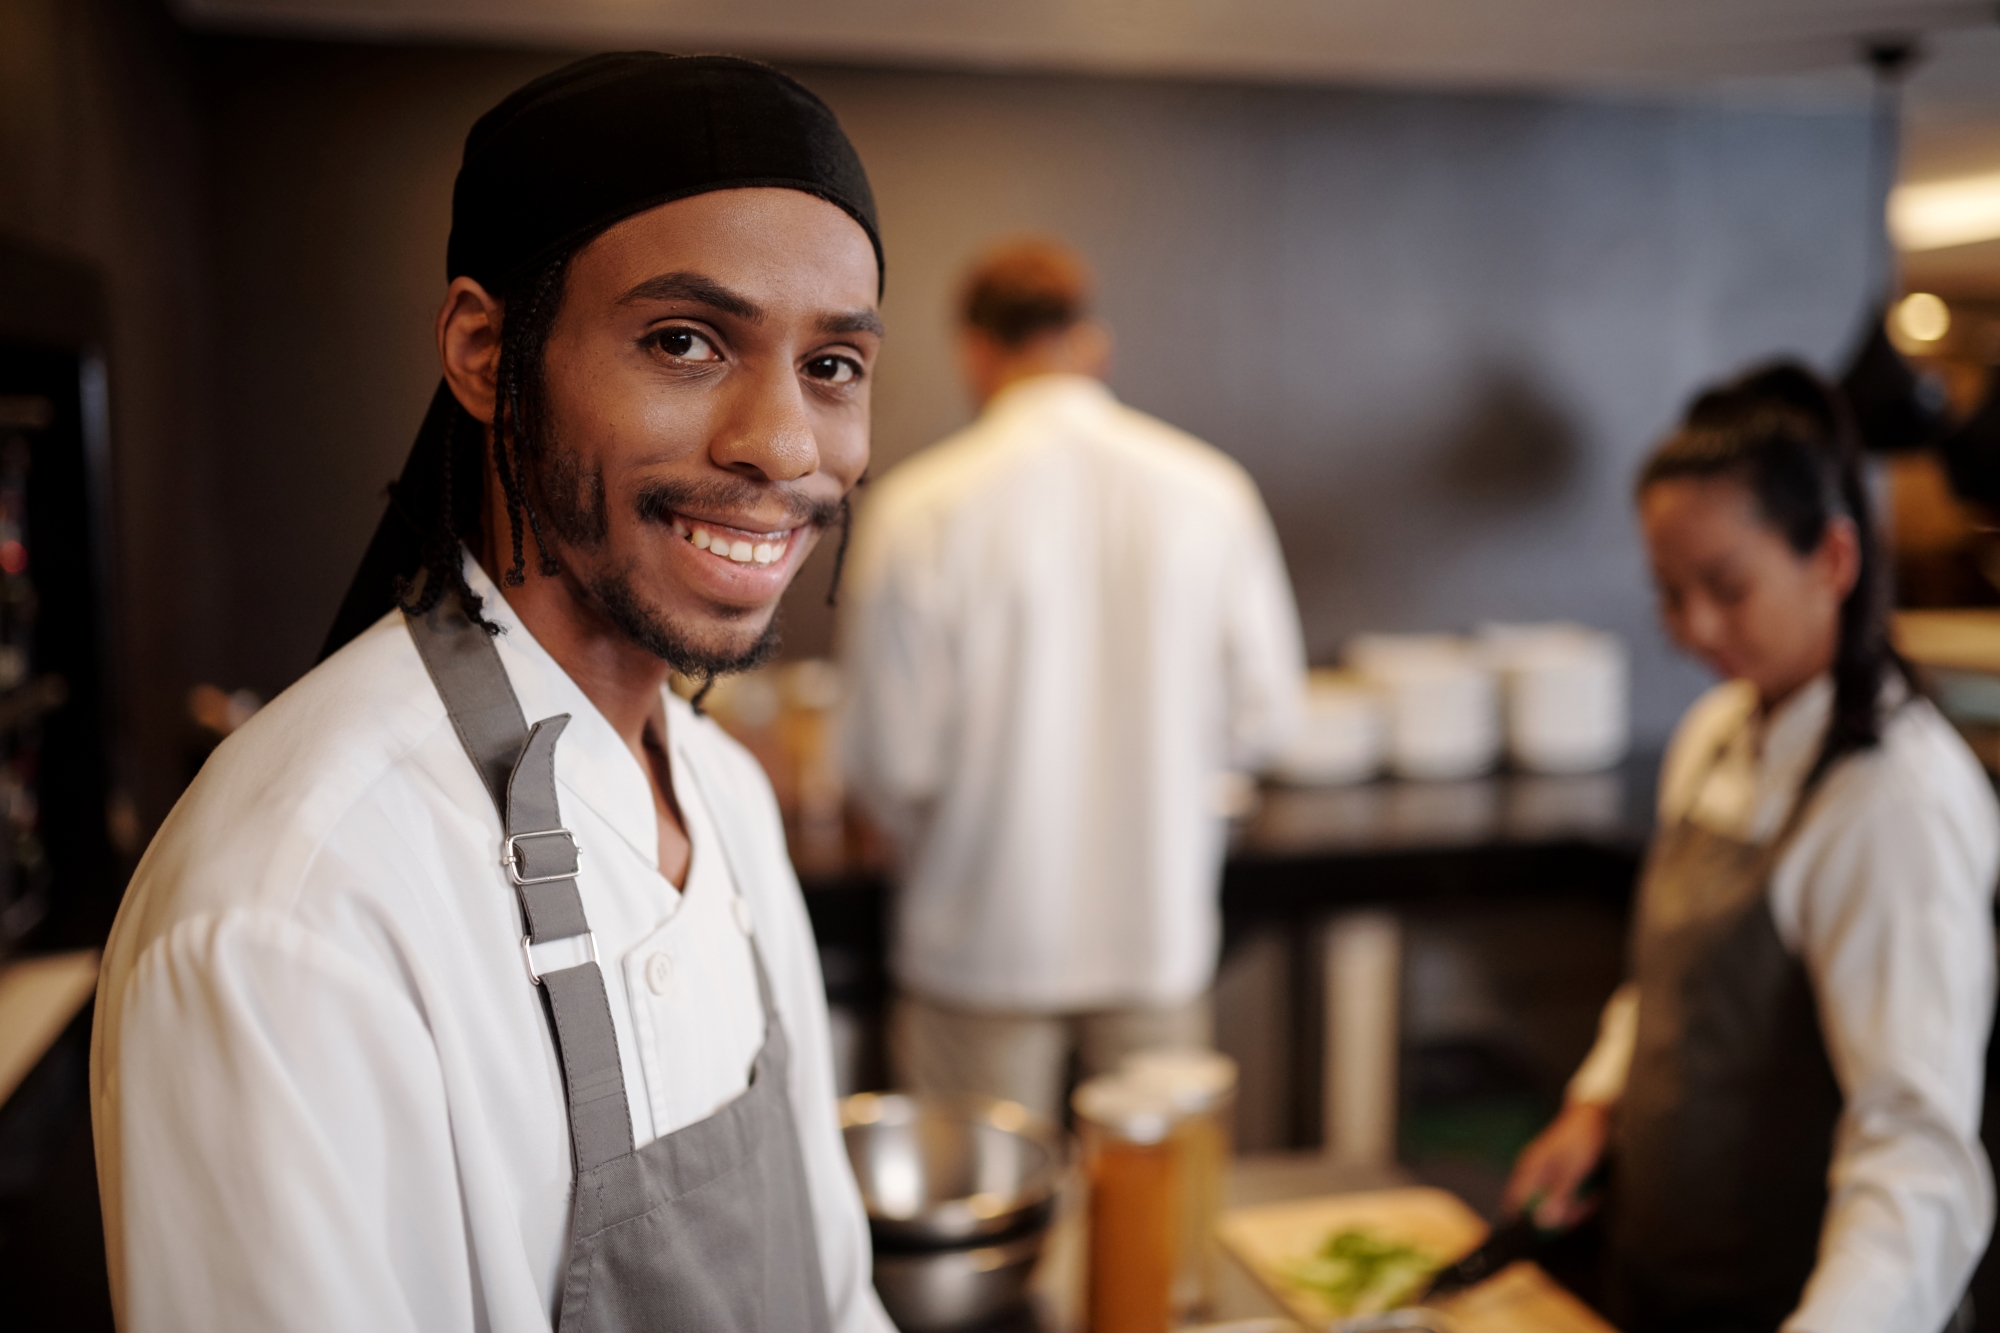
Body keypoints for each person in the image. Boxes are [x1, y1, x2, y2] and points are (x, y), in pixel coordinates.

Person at [91, 54, 895, 1332]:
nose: (785, 444)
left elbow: (839, 1299)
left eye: (833, 364)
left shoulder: (730, 797)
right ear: (481, 349)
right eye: (685, 342)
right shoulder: (293, 913)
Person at [1505, 362, 2000, 1332]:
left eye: (1725, 588)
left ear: (1832, 560)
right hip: (1655, 1286)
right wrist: (1592, 1104)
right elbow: (1667, 985)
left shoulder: (1892, 800)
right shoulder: (1716, 732)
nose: (1691, 627)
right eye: (1668, 592)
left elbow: (1915, 1153)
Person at [839, 237, 1307, 1122]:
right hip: (1154, 922)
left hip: (978, 932)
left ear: (972, 348)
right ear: (1092, 342)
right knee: (1152, 1224)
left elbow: (892, 760)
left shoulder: (923, 507)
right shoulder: (1210, 490)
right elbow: (1270, 717)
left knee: (984, 1221)